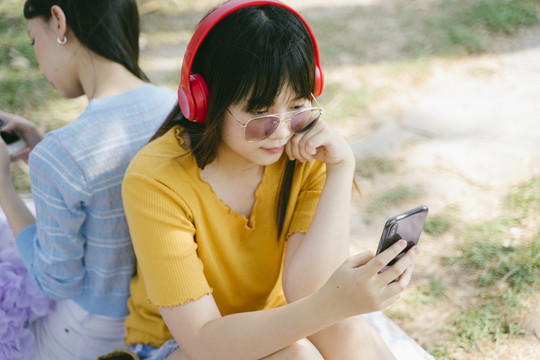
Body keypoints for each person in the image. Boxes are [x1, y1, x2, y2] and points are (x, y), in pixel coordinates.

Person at [121, 1, 419, 359]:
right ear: (203, 100)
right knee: (300, 354)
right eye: (260, 114)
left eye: (296, 107)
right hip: (175, 344)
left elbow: (310, 290)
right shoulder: (155, 180)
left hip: (275, 320)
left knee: (345, 330)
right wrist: (333, 304)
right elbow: (201, 340)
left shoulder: (305, 151)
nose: (280, 132)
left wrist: (341, 168)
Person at [0, 0, 177, 359]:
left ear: (59, 21)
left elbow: (56, 280)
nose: (37, 59)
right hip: (168, 316)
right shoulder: (173, 105)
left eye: (34, 40)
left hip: (90, 334)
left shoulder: (62, 154)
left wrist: (4, 187)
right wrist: (47, 152)